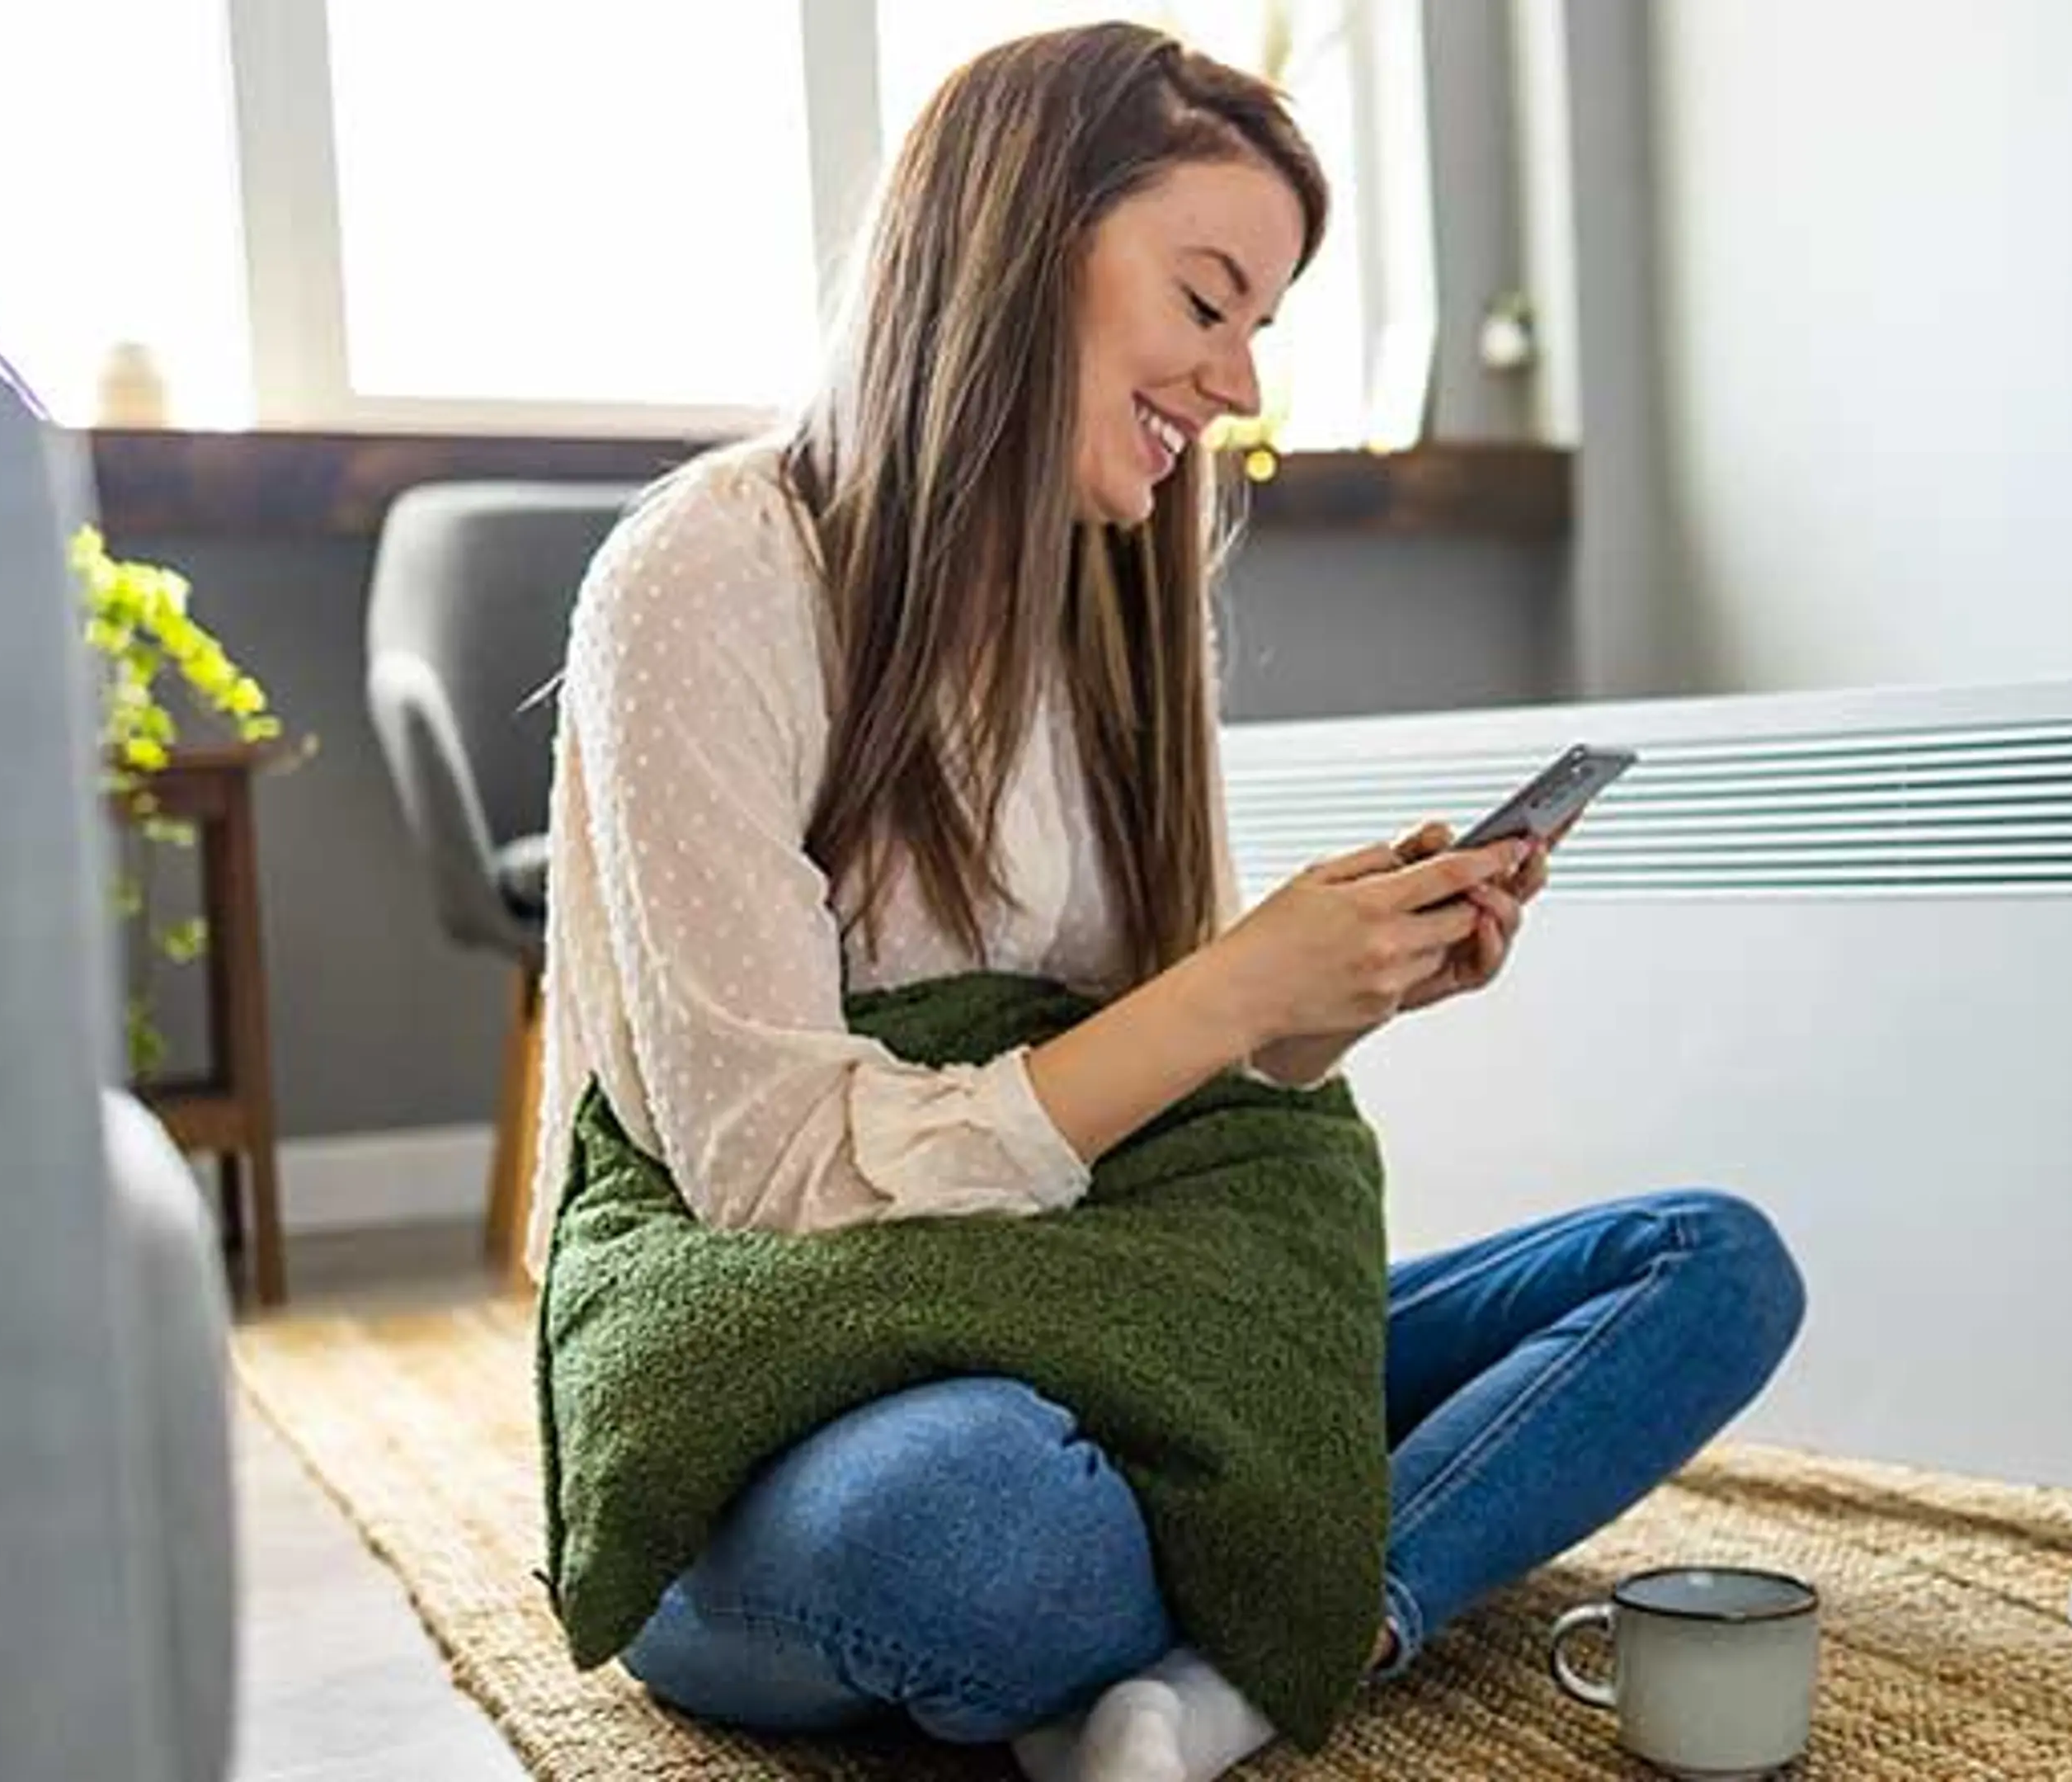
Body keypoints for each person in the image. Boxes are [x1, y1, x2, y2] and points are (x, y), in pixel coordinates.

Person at [527, 23, 1804, 1782]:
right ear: (1017, 242)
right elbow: (773, 1180)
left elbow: (1162, 1099)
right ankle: (1230, 1593)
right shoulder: (711, 572)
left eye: (1262, 326)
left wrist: (1332, 1000)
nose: (1237, 384)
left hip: (1100, 1309)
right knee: (989, 1534)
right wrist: (1228, 993)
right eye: (1208, 303)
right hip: (784, 1372)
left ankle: (1245, 1673)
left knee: (1712, 1269)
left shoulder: (1118, 610)